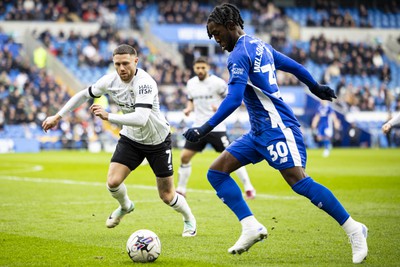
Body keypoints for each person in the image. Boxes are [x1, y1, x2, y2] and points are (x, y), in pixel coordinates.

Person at [183, 3, 368, 263]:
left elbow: (234, 99)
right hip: (258, 131)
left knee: (299, 182)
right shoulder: (259, 45)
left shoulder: (238, 55)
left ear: (230, 25)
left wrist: (204, 128)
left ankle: (354, 228)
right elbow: (292, 65)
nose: (216, 39)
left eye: (216, 33)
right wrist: (314, 86)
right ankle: (250, 226)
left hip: (278, 128)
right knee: (216, 172)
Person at [42, 44, 197, 237]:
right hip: (131, 138)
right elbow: (84, 94)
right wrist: (58, 116)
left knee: (167, 195)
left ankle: (189, 219)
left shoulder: (145, 82)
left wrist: (109, 117)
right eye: (117, 64)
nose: (121, 68)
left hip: (157, 141)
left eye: (125, 63)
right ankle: (125, 206)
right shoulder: (110, 80)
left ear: (135, 61)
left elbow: (141, 118)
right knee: (113, 182)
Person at [177, 57, 256, 199]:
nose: (200, 70)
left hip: (216, 127)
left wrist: (219, 107)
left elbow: (230, 99)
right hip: (198, 126)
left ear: (208, 67)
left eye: (203, 67)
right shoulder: (191, 83)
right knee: (184, 157)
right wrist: (188, 109)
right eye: (198, 68)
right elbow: (191, 100)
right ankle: (181, 189)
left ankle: (248, 187)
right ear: (194, 68)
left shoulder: (217, 83)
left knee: (233, 158)